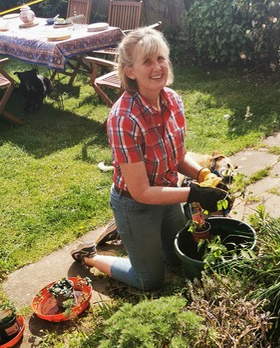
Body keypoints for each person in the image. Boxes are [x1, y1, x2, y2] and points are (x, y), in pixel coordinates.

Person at [71, 27, 227, 290]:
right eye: (147, 61)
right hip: (135, 203)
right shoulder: (123, 119)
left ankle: (129, 235)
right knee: (149, 280)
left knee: (178, 257)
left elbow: (177, 158)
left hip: (167, 195)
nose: (157, 67)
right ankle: (91, 256)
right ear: (130, 71)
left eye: (160, 58)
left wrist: (203, 176)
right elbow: (141, 191)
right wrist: (193, 194)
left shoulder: (173, 101)